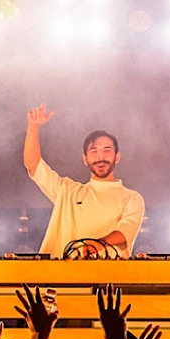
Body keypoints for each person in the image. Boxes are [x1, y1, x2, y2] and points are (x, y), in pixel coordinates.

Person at [23, 103, 145, 258]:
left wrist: (94, 246)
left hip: (109, 278)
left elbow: (124, 232)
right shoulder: (67, 191)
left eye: (107, 150)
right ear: (85, 159)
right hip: (61, 277)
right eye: (94, 151)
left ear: (117, 156)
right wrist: (33, 127)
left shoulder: (132, 198)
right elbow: (33, 165)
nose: (100, 157)